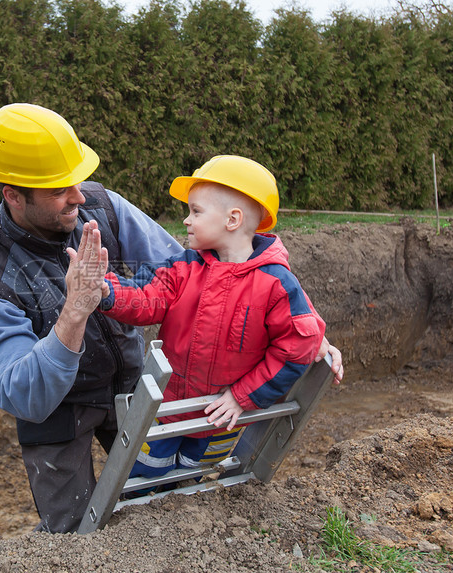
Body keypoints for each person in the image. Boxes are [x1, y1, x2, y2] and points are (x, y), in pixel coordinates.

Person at [0, 104, 343, 533]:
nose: (79, 197)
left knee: (159, 505)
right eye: (59, 190)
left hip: (133, 384)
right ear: (13, 194)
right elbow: (22, 396)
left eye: (77, 181)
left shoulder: (104, 207)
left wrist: (308, 326)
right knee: (72, 535)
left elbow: (205, 268)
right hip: (59, 411)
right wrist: (73, 312)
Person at [88, 155, 330, 480]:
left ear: (232, 220)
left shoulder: (275, 284)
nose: (186, 220)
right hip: (167, 409)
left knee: (193, 481)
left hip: (222, 415)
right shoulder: (184, 266)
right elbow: (148, 295)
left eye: (196, 211)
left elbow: (296, 347)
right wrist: (107, 290)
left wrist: (244, 396)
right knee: (141, 479)